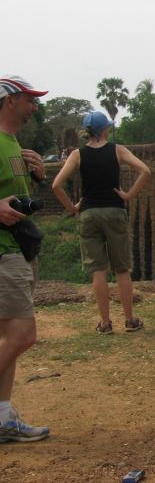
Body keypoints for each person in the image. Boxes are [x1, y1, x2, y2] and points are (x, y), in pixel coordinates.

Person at [51, 111, 151, 334]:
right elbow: (145, 170)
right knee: (122, 269)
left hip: (89, 214)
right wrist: (128, 195)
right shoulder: (117, 150)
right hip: (114, 211)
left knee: (98, 270)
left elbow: (56, 185)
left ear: (87, 132)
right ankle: (130, 320)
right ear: (105, 129)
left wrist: (72, 207)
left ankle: (105, 323)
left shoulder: (78, 154)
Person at [0, 75, 50, 443]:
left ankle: (2, 417)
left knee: (8, 340)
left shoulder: (14, 144)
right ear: (9, 101)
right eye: (29, 99)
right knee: (23, 335)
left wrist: (36, 178)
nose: (35, 106)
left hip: (18, 247)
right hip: (3, 252)